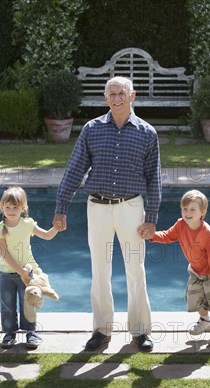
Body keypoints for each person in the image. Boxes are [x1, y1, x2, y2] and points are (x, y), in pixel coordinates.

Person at [53, 76, 161, 352]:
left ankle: (140, 332)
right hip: (98, 208)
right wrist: (61, 206)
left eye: (121, 93)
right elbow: (74, 170)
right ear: (105, 98)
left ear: (132, 96)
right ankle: (101, 331)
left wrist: (152, 217)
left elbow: (154, 179)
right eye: (111, 94)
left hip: (132, 209)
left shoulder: (147, 133)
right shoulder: (91, 129)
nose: (116, 98)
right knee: (99, 270)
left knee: (135, 270)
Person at [150, 189, 210, 346]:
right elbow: (168, 236)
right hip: (196, 270)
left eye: (192, 209)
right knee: (195, 296)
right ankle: (206, 320)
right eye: (185, 208)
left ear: (203, 212)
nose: (187, 212)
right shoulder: (181, 225)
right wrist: (152, 236)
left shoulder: (207, 233)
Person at [0, 186, 59, 349]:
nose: (10, 210)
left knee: (29, 303)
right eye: (7, 207)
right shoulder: (0, 229)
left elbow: (46, 235)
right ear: (2, 207)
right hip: (6, 272)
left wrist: (56, 228)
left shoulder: (28, 224)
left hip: (28, 274)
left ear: (23, 208)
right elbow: (4, 253)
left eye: (15, 207)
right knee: (7, 304)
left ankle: (31, 332)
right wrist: (19, 270)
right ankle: (10, 333)